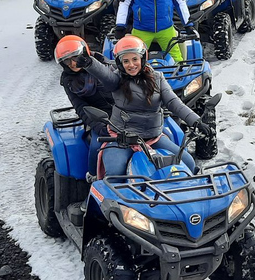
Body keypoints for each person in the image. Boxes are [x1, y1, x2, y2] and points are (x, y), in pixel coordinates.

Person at [74, 35, 211, 176]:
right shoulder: (116, 80)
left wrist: (196, 121)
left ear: (142, 58)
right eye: (125, 61)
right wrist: (90, 63)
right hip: (122, 139)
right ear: (120, 63)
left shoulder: (157, 78)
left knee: (188, 162)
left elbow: (173, 102)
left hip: (153, 137)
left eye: (135, 59)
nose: (131, 65)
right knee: (115, 173)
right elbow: (104, 75)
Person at [55, 35, 114, 181]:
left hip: (124, 112)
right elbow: (80, 107)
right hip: (98, 117)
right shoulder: (69, 81)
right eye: (67, 61)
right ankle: (94, 178)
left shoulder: (105, 65)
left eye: (75, 57)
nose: (73, 63)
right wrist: (99, 125)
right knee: (96, 146)